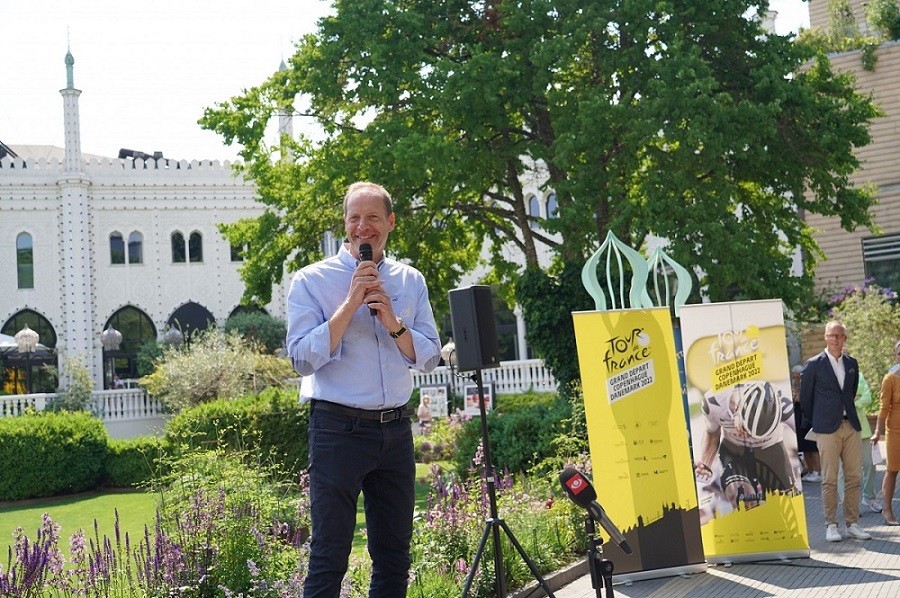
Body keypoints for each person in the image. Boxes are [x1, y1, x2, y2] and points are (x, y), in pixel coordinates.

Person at [285, 181, 441, 597]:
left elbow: (429, 357)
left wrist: (393, 323)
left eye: (372, 217)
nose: (362, 227)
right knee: (329, 555)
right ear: (345, 224)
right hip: (338, 430)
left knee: (394, 558)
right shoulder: (311, 280)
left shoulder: (411, 280)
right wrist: (350, 302)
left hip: (395, 431)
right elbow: (301, 359)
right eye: (354, 217)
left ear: (390, 222)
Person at [799, 321, 872, 542]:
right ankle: (831, 524)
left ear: (844, 338)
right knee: (829, 479)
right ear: (825, 337)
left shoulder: (851, 363)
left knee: (854, 476)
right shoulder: (813, 364)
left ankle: (852, 523)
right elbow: (806, 399)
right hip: (827, 429)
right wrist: (819, 422)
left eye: (838, 335)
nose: (834, 339)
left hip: (851, 426)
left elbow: (850, 391)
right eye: (830, 335)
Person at [693, 380, 797, 513]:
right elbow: (713, 434)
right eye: (746, 430)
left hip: (771, 447)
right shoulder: (713, 401)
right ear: (737, 409)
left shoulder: (783, 402)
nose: (750, 436)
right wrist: (706, 465)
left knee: (786, 503)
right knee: (742, 496)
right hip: (734, 449)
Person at [837, 372, 883, 513]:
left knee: (869, 464)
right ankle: (847, 503)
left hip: (862, 429)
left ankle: (869, 497)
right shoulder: (830, 375)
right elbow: (835, 401)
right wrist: (854, 398)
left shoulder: (858, 375)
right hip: (839, 428)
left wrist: (851, 403)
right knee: (843, 470)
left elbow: (867, 398)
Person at [872, 340, 900, 525]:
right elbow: (884, 407)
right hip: (895, 431)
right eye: (899, 353)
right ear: (895, 356)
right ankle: (887, 510)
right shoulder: (890, 378)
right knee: (892, 470)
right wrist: (877, 431)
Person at [792, 364, 821, 483]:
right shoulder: (794, 388)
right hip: (799, 421)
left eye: (798, 377)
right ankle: (810, 470)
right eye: (794, 377)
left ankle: (818, 472)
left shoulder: (810, 386)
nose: (796, 380)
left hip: (809, 419)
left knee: (813, 447)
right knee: (804, 448)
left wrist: (798, 398)